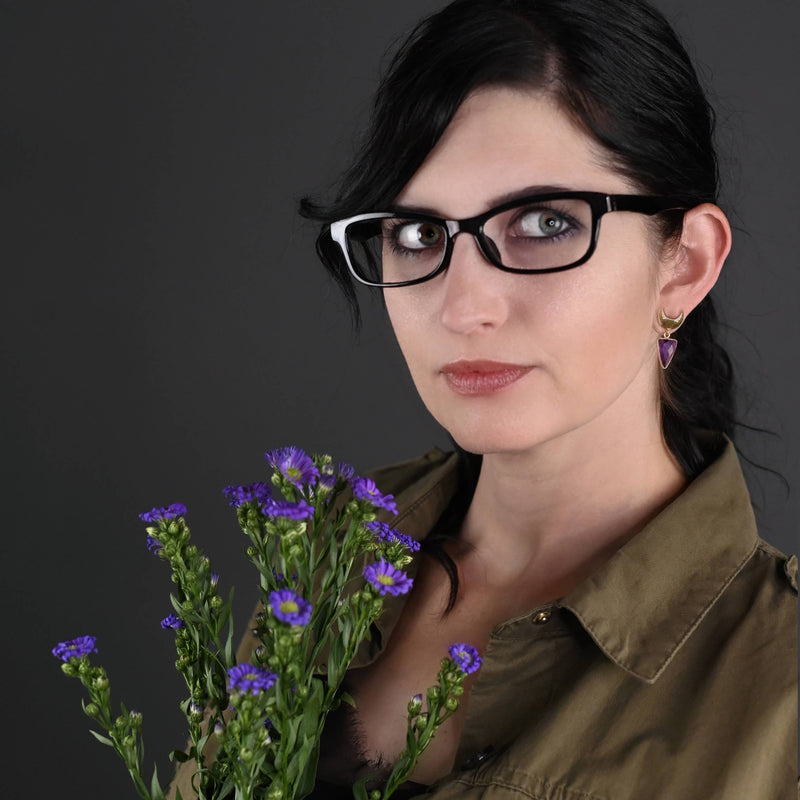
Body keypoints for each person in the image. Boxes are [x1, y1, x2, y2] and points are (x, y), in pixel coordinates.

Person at [170, 1, 797, 798]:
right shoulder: (330, 554)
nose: (465, 307)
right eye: (418, 234)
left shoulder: (779, 689)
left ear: (684, 263)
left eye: (544, 222)